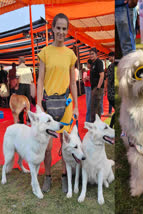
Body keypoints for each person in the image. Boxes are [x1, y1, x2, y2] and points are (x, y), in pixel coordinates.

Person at [37, 13, 78, 193]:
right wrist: (38, 104)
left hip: (66, 105)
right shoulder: (45, 52)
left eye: (64, 28)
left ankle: (63, 177)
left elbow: (73, 82)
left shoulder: (70, 54)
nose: (61, 32)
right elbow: (39, 81)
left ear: (67, 31)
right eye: (58, 28)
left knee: (65, 143)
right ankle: (47, 177)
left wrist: (76, 106)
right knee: (47, 145)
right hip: (48, 105)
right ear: (52, 29)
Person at [16, 56, 33, 123]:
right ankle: (29, 119)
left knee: (20, 103)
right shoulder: (28, 69)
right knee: (28, 103)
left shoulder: (19, 68)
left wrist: (17, 86)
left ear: (20, 61)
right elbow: (31, 80)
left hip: (21, 86)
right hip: (28, 86)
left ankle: (21, 120)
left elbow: (18, 78)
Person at [89, 48, 104, 122]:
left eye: (92, 54)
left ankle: (97, 125)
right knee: (93, 108)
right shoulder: (93, 63)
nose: (91, 55)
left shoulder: (99, 62)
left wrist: (98, 87)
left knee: (96, 108)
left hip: (97, 88)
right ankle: (94, 124)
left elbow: (102, 75)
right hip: (93, 88)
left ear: (96, 54)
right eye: (90, 54)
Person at [105, 52, 115, 128]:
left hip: (112, 93)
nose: (109, 58)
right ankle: (111, 126)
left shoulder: (111, 66)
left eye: (109, 57)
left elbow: (109, 79)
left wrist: (106, 88)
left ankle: (111, 126)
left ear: (113, 57)